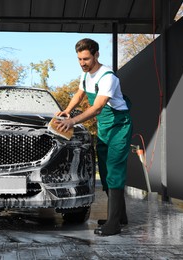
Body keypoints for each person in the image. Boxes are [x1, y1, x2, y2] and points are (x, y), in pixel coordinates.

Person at [55, 38, 133, 236]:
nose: (83, 63)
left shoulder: (108, 77)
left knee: (114, 172)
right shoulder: (85, 75)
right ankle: (120, 217)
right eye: (80, 59)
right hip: (105, 129)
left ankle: (113, 225)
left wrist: (72, 121)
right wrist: (67, 110)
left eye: (86, 59)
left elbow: (97, 107)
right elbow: (79, 94)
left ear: (96, 55)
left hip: (119, 127)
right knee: (106, 173)